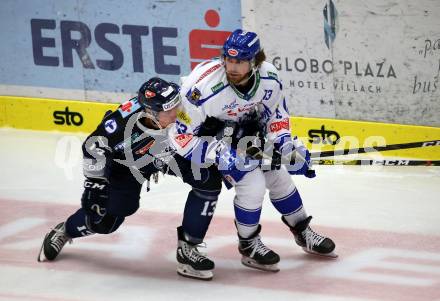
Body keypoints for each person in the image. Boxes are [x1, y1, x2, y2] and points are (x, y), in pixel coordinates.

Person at [169, 29, 337, 273]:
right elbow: (179, 135)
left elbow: (275, 117)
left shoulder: (269, 77)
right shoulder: (201, 87)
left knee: (278, 175)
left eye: (240, 61)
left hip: (247, 135)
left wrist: (286, 145)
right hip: (209, 142)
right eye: (229, 59)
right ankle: (248, 245)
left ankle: (302, 231)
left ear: (255, 61)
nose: (232, 67)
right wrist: (219, 154)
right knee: (253, 184)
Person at [38, 77, 223, 280]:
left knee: (208, 179)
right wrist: (95, 186)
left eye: (176, 106)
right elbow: (92, 147)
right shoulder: (118, 126)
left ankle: (189, 248)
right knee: (106, 221)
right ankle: (66, 230)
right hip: (126, 166)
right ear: (150, 113)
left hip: (168, 151)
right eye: (168, 111)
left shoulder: (178, 99)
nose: (176, 113)